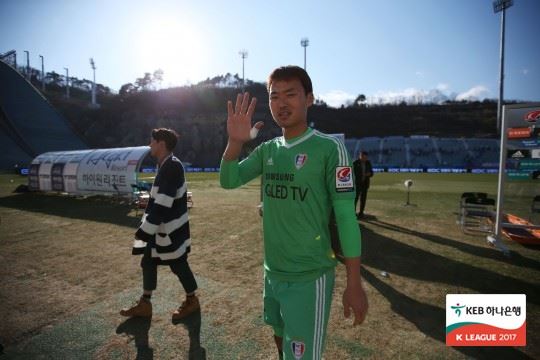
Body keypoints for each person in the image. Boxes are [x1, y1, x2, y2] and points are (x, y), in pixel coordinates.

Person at [220, 66, 368, 360]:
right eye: (275, 96)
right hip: (272, 272)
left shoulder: (330, 149)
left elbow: (346, 217)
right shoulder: (268, 150)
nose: (282, 103)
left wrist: (354, 281)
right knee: (279, 336)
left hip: (309, 277)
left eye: (291, 94)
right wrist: (235, 142)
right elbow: (229, 180)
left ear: (309, 99)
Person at [120, 128, 199, 320]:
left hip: (170, 230)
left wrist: (144, 231)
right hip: (163, 229)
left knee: (178, 264)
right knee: (148, 261)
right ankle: (145, 303)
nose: (149, 145)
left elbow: (163, 203)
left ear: (161, 144)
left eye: (152, 141)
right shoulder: (166, 164)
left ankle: (192, 300)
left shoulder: (171, 166)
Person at [352, 151, 373, 218]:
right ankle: (353, 213)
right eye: (363, 157)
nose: (365, 158)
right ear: (360, 156)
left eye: (366, 157)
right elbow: (352, 173)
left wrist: (369, 174)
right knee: (355, 199)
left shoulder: (368, 163)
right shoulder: (355, 163)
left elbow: (371, 172)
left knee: (363, 199)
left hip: (365, 184)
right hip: (357, 184)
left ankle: (361, 213)